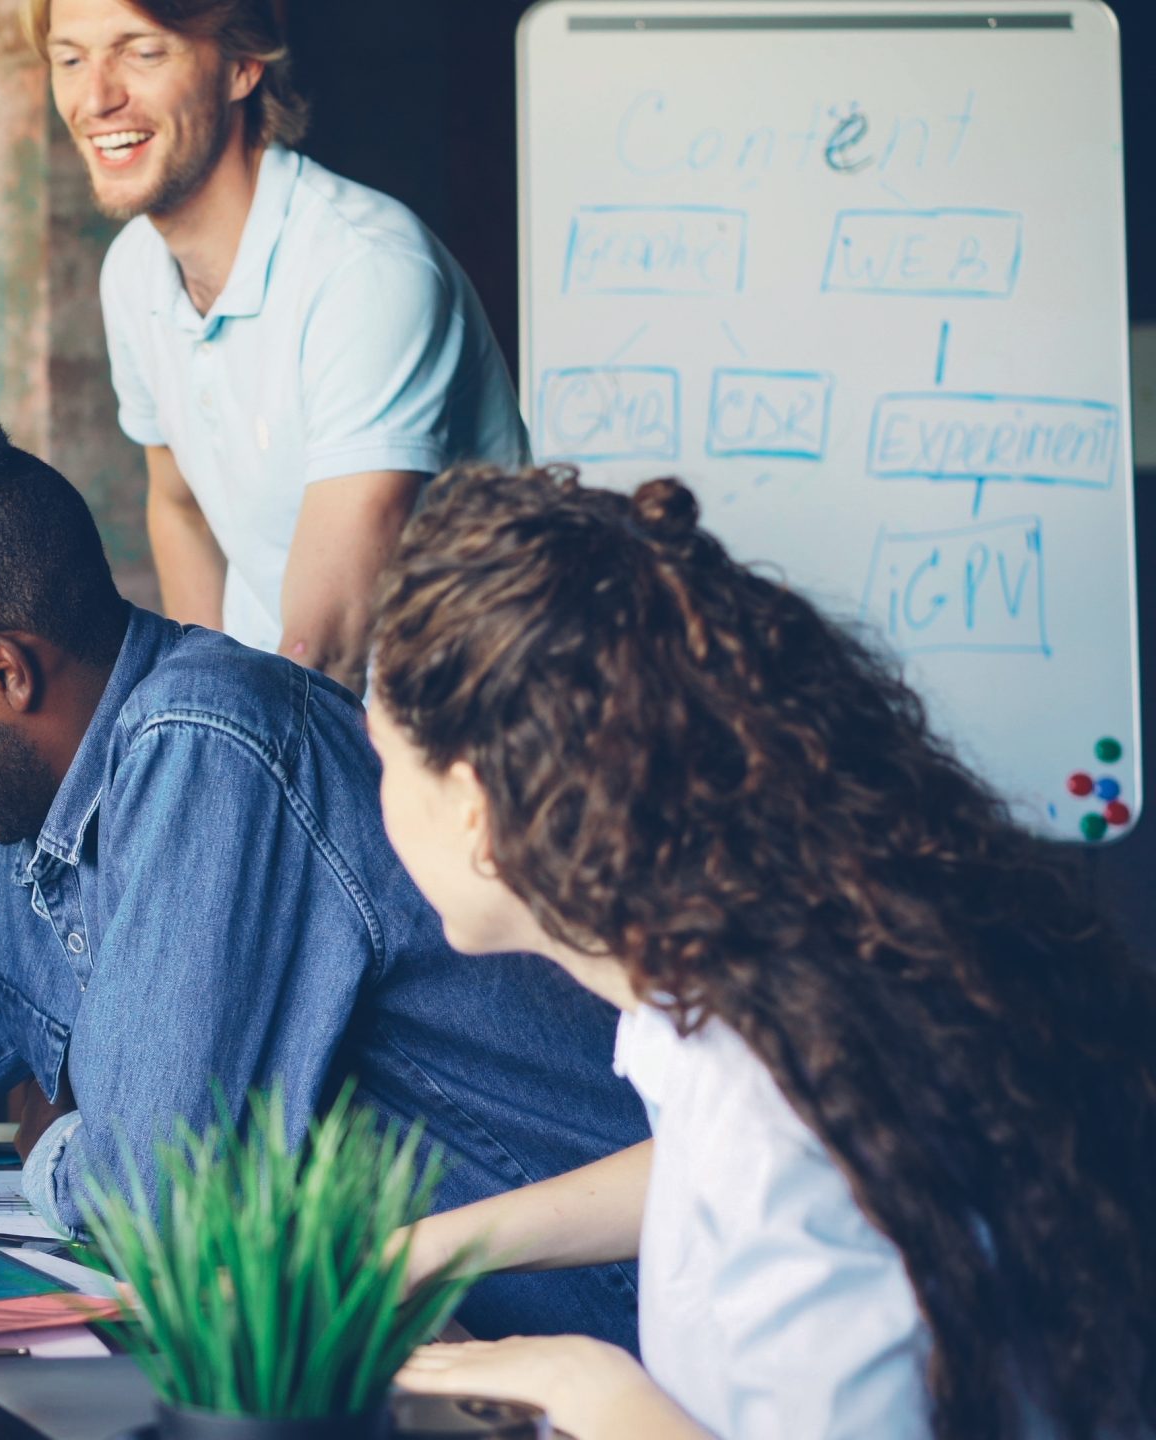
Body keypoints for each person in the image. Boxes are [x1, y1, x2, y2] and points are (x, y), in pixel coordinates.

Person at [0, 416, 647, 1344]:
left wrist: (54, 1146)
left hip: (598, 1323)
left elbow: (153, 1204)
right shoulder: (13, 815)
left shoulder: (211, 744)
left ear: (4, 672)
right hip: (400, 1343)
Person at [368, 467, 1156, 1439]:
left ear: (477, 816)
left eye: (385, 767)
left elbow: (761, 1169)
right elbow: (705, 1159)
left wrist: (590, 1391)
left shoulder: (775, 1131)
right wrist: (433, 1246)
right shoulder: (734, 977)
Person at [37, 0, 526, 687]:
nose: (97, 98)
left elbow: (327, 648)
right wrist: (203, 706)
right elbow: (182, 510)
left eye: (143, 53)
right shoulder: (133, 270)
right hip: (289, 714)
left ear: (242, 66)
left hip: (463, 738)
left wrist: (225, 762)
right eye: (69, 59)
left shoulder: (364, 269)